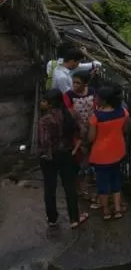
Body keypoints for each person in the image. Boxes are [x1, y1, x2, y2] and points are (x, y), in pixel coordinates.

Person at [36, 87, 89, 228]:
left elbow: (44, 142)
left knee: (49, 188)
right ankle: (74, 219)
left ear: (50, 103)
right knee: (69, 187)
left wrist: (46, 153)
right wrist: (76, 147)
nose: (42, 103)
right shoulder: (70, 114)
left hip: (49, 158)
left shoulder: (45, 120)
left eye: (44, 101)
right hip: (66, 154)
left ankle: (52, 218)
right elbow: (83, 131)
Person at [88, 84, 128, 220]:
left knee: (102, 183)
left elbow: (91, 137)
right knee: (116, 180)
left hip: (101, 154)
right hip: (118, 150)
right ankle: (117, 209)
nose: (95, 99)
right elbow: (124, 129)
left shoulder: (96, 117)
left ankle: (106, 211)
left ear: (104, 100)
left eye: (97, 97)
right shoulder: (123, 112)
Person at [65, 72, 97, 203]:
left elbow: (96, 108)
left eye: (78, 83)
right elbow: (71, 113)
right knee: (81, 158)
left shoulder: (92, 92)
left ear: (85, 83)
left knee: (92, 157)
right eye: (74, 82)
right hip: (78, 131)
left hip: (93, 128)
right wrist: (80, 128)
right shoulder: (69, 95)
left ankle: (88, 182)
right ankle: (81, 187)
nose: (75, 85)